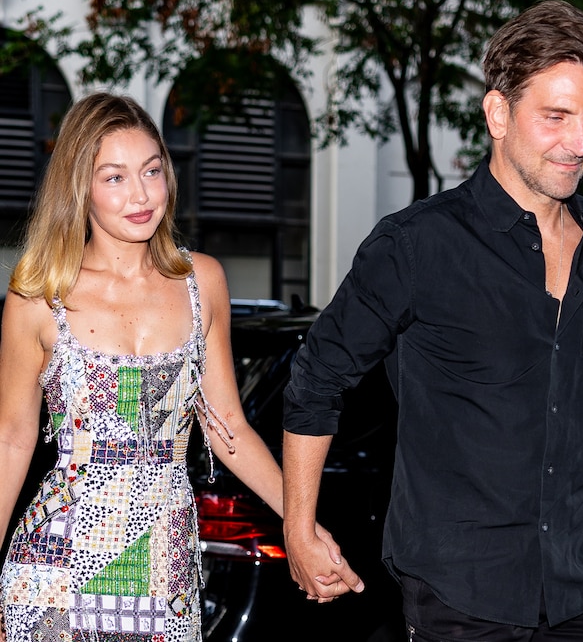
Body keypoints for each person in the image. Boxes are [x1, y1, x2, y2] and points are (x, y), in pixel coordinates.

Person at [281, 0, 583, 641]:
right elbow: (316, 382)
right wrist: (299, 527)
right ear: (497, 113)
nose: (580, 145)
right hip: (461, 597)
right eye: (557, 117)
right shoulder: (416, 245)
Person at [0, 92, 341, 642]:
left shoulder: (201, 282)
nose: (140, 195)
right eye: (114, 177)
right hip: (52, 570)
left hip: (165, 568)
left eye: (151, 171)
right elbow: (12, 439)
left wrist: (303, 528)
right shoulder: (39, 296)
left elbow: (227, 428)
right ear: (79, 187)